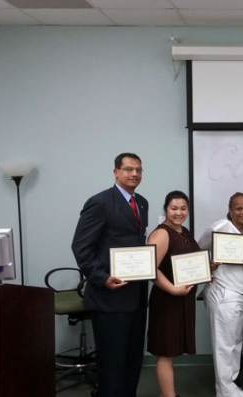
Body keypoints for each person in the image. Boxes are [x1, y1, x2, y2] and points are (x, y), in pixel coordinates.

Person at [71, 152, 149, 397]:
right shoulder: (100, 202)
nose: (134, 174)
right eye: (128, 169)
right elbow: (81, 247)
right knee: (112, 363)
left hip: (136, 295)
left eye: (138, 169)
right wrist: (102, 277)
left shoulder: (142, 202)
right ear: (116, 172)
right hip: (109, 297)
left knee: (132, 359)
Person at [198, 192, 243, 397]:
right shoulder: (220, 227)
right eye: (238, 208)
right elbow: (199, 247)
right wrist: (207, 267)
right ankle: (225, 391)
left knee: (235, 342)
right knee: (223, 344)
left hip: (241, 292)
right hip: (223, 292)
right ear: (230, 210)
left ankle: (231, 385)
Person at [146, 191, 199, 397]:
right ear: (166, 209)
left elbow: (192, 260)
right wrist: (173, 289)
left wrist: (206, 271)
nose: (179, 213)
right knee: (166, 352)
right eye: (174, 208)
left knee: (173, 349)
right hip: (167, 300)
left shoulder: (183, 231)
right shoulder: (162, 234)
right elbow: (151, 270)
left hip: (181, 299)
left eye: (183, 208)